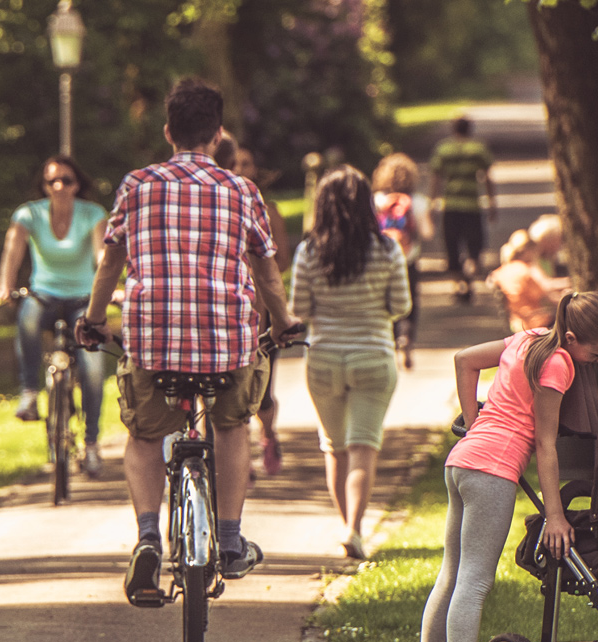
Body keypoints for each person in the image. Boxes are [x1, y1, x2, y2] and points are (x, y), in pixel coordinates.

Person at [77, 77, 301, 605]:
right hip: (227, 341)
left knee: (143, 434)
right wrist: (285, 322)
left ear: (167, 131)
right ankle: (227, 539)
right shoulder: (241, 190)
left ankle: (150, 536)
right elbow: (267, 273)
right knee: (232, 424)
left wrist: (91, 318)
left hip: (153, 341)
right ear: (217, 134)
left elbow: (111, 261)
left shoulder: (136, 185)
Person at [408, 291, 598, 642]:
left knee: (450, 577)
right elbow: (545, 445)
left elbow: (464, 360)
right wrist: (556, 517)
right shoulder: (558, 363)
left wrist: (473, 424)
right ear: (575, 336)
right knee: (474, 580)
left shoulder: (528, 338)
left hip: (462, 463)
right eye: (597, 355)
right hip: (493, 471)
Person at [291, 165, 412, 561]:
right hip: (373, 357)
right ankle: (354, 529)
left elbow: (300, 308)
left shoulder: (309, 251)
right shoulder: (388, 249)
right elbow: (401, 306)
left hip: (323, 358)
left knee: (335, 448)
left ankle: (347, 528)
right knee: (364, 446)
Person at [0, 156, 108, 477]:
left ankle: (93, 443)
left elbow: (102, 256)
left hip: (83, 299)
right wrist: (5, 287)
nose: (59, 186)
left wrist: (113, 286)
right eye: (52, 181)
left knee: (94, 368)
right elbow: (12, 252)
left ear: (77, 184)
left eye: (67, 180)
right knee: (27, 318)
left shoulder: (93, 214)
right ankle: (29, 393)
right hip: (44, 294)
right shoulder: (28, 214)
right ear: (44, 185)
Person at [232, 142, 293, 474]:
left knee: (261, 392)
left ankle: (268, 434)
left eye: (247, 163)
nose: (241, 169)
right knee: (231, 392)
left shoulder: (268, 212)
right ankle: (239, 460)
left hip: (261, 312)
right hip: (225, 311)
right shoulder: (219, 207)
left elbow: (281, 260)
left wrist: (257, 270)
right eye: (235, 163)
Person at [371, 152, 434, 370]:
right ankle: (406, 338)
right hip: (409, 258)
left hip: (381, 260)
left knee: (385, 301)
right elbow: (427, 233)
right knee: (409, 302)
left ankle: (390, 343)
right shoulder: (417, 201)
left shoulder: (376, 200)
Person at [428, 114, 497, 303]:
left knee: (452, 246)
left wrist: (432, 204)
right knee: (474, 247)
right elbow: (487, 177)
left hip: (450, 206)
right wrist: (492, 203)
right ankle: (469, 274)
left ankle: (460, 283)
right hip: (472, 206)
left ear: (453, 129)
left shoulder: (444, 149)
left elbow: (436, 178)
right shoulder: (478, 149)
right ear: (470, 129)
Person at [487, 229, 570, 333]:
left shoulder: (501, 271)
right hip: (532, 321)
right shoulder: (525, 271)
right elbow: (546, 296)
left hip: (516, 320)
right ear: (528, 251)